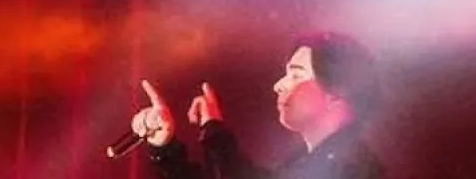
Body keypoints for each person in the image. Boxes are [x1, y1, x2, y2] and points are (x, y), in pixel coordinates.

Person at [130, 32, 385, 179]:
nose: (279, 85)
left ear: (337, 90)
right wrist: (166, 147)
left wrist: (213, 131)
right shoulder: (304, 164)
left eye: (296, 74)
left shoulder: (351, 169)